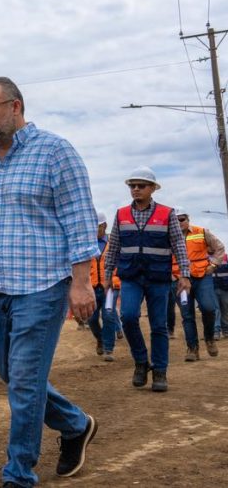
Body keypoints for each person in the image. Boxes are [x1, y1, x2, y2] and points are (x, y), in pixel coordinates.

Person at [0, 77, 99, 486]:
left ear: (15, 106)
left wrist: (81, 282)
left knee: (26, 381)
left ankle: (18, 472)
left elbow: (79, 219)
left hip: (43, 286)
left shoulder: (55, 151)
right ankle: (75, 425)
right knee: (13, 376)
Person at [103, 167, 190, 393]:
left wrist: (184, 275)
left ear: (152, 188)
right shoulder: (121, 214)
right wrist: (107, 275)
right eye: (132, 186)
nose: (136, 189)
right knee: (128, 317)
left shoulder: (167, 214)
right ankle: (141, 362)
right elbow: (114, 246)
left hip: (158, 277)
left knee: (159, 325)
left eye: (141, 185)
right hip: (130, 276)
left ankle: (160, 371)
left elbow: (179, 245)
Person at [170, 208, 224, 360]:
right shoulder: (168, 237)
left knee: (209, 308)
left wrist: (213, 265)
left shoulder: (202, 232)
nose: (179, 222)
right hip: (179, 279)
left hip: (202, 277)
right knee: (187, 315)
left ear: (188, 219)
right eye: (176, 220)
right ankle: (192, 349)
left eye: (182, 219)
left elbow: (219, 248)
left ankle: (209, 338)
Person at [87, 212, 121, 361]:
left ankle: (108, 349)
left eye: (97, 226)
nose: (94, 230)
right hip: (92, 288)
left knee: (108, 315)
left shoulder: (114, 243)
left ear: (105, 226)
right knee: (92, 319)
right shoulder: (87, 245)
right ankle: (100, 339)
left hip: (110, 288)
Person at [213, 255, 228, 341]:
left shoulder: (225, 257)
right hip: (213, 289)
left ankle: (225, 330)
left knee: (225, 309)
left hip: (225, 289)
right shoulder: (208, 258)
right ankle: (216, 331)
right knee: (216, 310)